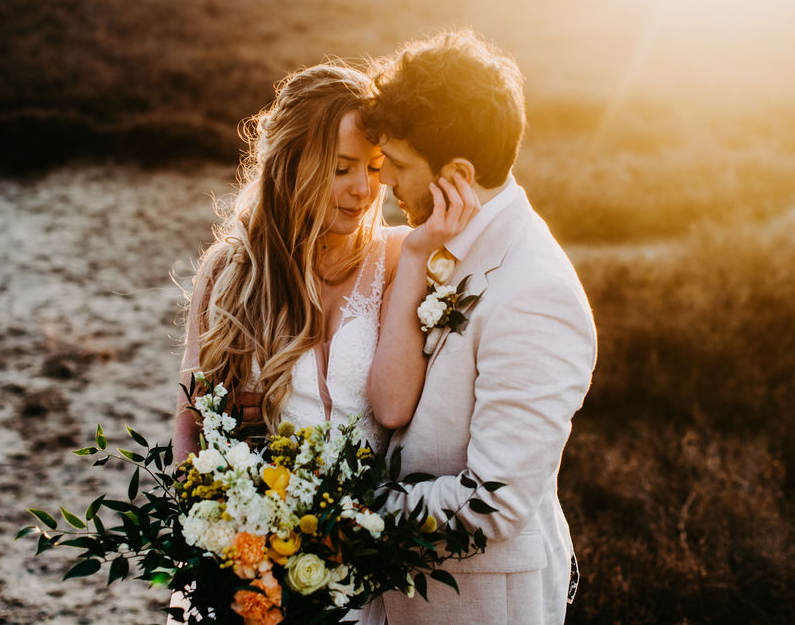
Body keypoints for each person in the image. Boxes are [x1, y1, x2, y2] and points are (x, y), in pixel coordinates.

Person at [171, 61, 478, 624]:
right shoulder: (228, 273)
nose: (364, 189)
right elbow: (193, 422)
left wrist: (414, 258)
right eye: (341, 168)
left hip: (357, 572)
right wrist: (209, 543)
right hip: (249, 567)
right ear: (291, 164)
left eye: (375, 167)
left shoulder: (399, 258)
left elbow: (391, 407)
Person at [362, 30, 597, 624]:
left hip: (478, 604)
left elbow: (491, 500)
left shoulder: (535, 294)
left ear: (458, 172)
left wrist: (349, 516)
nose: (384, 180)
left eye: (401, 164)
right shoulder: (439, 241)